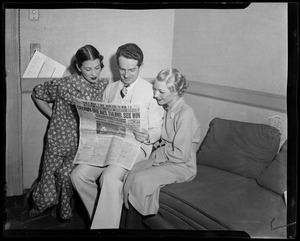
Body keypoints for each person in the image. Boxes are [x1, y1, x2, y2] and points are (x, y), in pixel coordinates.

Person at [70, 43, 164, 229]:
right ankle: (103, 217)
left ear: (140, 66)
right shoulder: (110, 89)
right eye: (122, 69)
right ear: (117, 67)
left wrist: (147, 135)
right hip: (109, 145)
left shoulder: (150, 91)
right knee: (78, 175)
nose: (126, 74)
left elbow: (157, 129)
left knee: (110, 177)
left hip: (137, 146)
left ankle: (105, 227)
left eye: (132, 70)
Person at [29, 45, 109, 222]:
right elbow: (37, 94)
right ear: (79, 67)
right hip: (58, 140)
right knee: (48, 180)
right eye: (88, 69)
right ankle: (40, 204)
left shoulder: (103, 86)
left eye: (97, 67)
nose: (94, 73)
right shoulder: (64, 84)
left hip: (82, 145)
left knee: (65, 176)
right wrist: (54, 117)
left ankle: (65, 212)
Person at [122, 68, 201, 225]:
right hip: (168, 157)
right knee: (132, 172)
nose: (155, 95)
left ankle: (132, 227)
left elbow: (181, 155)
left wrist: (158, 156)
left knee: (141, 180)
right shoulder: (170, 108)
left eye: (161, 91)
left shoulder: (185, 114)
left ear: (175, 91)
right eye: (154, 89)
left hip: (183, 164)